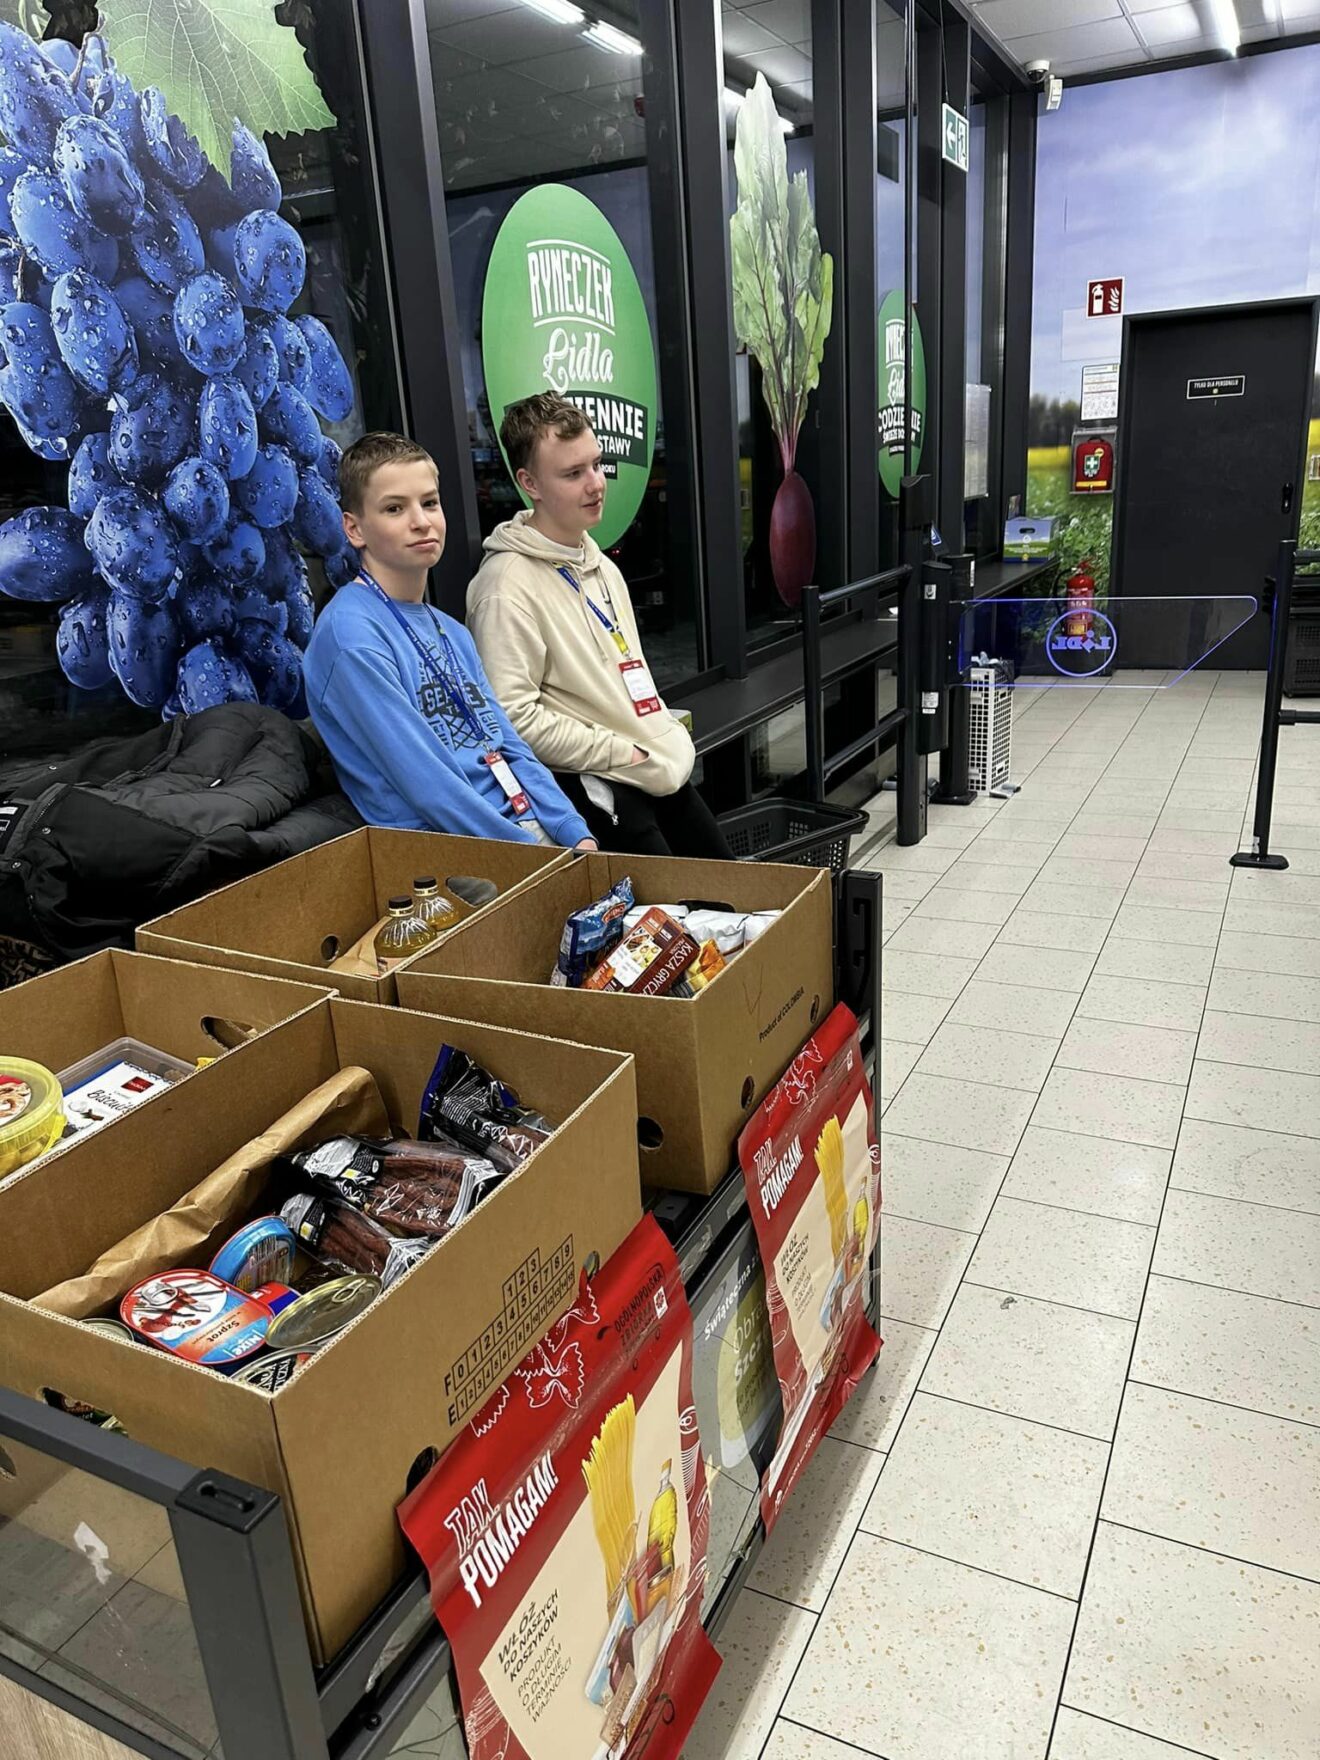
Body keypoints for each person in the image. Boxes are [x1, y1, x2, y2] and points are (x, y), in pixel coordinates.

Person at [467, 393, 731, 860]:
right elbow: (512, 719)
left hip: (655, 768)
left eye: (597, 464)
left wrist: (657, 735)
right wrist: (620, 752)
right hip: (596, 782)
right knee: (670, 904)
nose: (595, 484)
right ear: (529, 483)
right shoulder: (504, 588)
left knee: (733, 885)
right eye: (573, 474)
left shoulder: (601, 565)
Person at [302, 432, 595, 851]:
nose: (421, 521)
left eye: (429, 503)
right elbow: (427, 785)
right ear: (354, 528)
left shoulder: (450, 630)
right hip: (451, 852)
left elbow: (508, 743)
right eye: (394, 508)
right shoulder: (350, 635)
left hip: (524, 831)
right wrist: (535, 854)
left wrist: (573, 830)